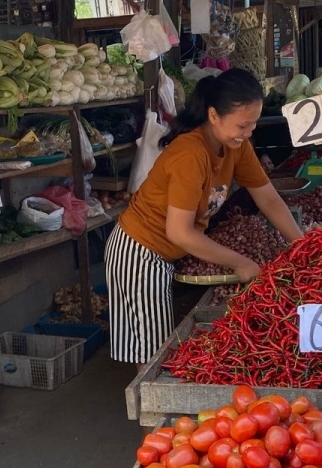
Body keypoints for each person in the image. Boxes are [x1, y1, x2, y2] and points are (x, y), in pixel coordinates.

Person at [108, 69, 304, 367]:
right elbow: (180, 233)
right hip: (139, 251)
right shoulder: (190, 155)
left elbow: (268, 198)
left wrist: (304, 246)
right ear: (214, 115)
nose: (249, 132)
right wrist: (240, 262)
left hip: (166, 253)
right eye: (243, 124)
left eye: (253, 124)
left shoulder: (235, 146)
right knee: (153, 355)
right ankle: (149, 411)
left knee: (161, 349)